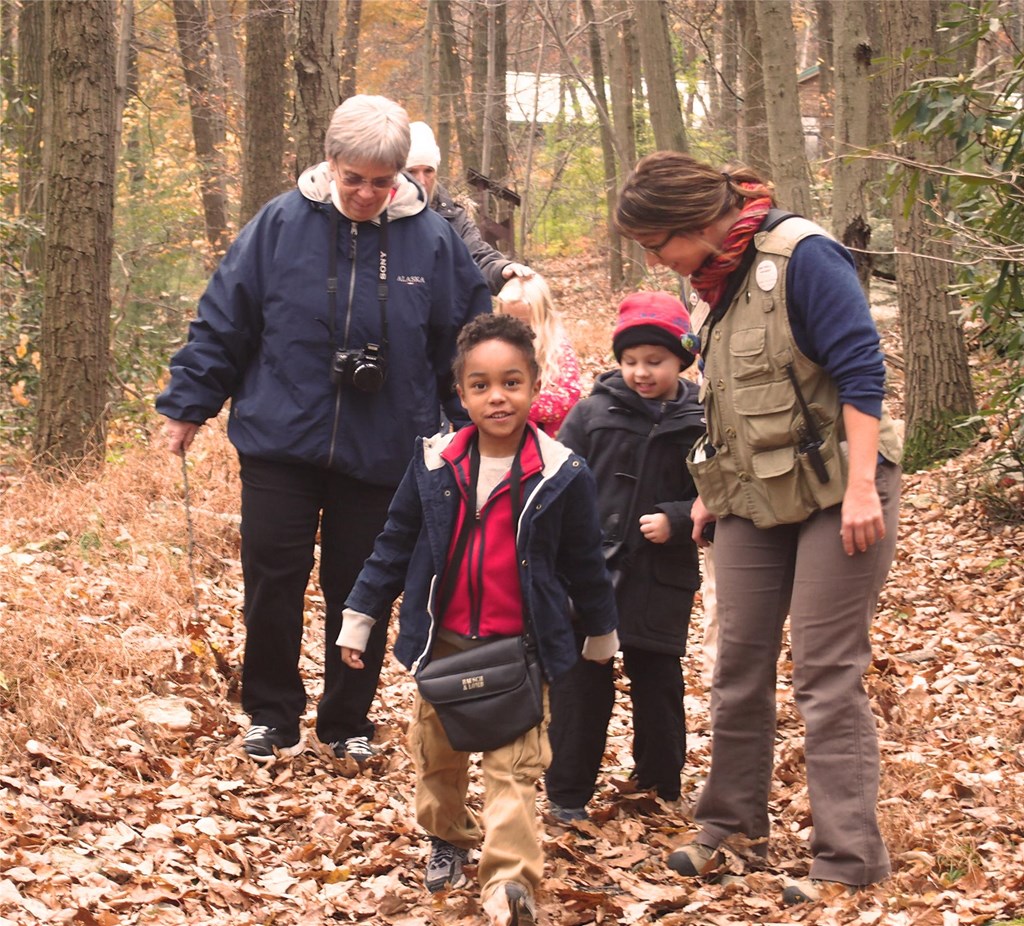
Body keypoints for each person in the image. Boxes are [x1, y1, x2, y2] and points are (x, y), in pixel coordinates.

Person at [156, 95, 491, 765]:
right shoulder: (279, 225)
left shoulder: (431, 240)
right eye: (354, 177)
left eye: (381, 180)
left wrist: (477, 429)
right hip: (281, 437)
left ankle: (346, 719)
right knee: (272, 578)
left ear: (402, 174)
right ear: (331, 164)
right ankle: (272, 715)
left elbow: (465, 343)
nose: (367, 193)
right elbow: (227, 317)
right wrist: (190, 402)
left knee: (362, 587)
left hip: (386, 445)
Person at [615, 152, 903, 905]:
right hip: (749, 495)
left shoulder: (803, 255)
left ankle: (846, 860)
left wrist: (865, 487)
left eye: (658, 244)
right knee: (736, 662)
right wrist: (711, 487)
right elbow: (730, 392)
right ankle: (731, 828)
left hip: (841, 487)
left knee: (823, 670)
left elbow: (862, 370)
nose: (656, 260)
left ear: (699, 225)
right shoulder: (714, 282)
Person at [337, 314, 619, 926]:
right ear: (460, 393)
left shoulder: (561, 473)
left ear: (535, 386)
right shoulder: (436, 462)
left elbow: (584, 561)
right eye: (482, 384)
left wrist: (601, 631)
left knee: (513, 770)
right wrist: (360, 614)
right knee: (438, 761)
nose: (498, 396)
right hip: (444, 645)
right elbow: (394, 542)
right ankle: (449, 835)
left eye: (512, 382)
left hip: (522, 649)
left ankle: (509, 885)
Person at [544, 291, 706, 822]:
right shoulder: (591, 414)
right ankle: (567, 793)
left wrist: (679, 520)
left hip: (662, 575)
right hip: (590, 575)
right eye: (631, 361)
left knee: (657, 681)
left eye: (654, 362)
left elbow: (720, 492)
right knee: (580, 686)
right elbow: (553, 478)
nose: (641, 372)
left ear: (681, 360)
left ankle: (659, 784)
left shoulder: (699, 420)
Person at [405, 121, 532, 294]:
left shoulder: (454, 218)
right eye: (412, 171)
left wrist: (502, 270)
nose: (421, 180)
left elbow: (478, 258)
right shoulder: (381, 214)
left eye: (428, 170)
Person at [494, 273, 582, 435]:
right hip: (505, 441)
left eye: (524, 323)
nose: (515, 330)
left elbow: (567, 398)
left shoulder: (557, 348)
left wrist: (518, 402)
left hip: (550, 443)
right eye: (507, 321)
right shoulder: (495, 349)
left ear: (542, 319)